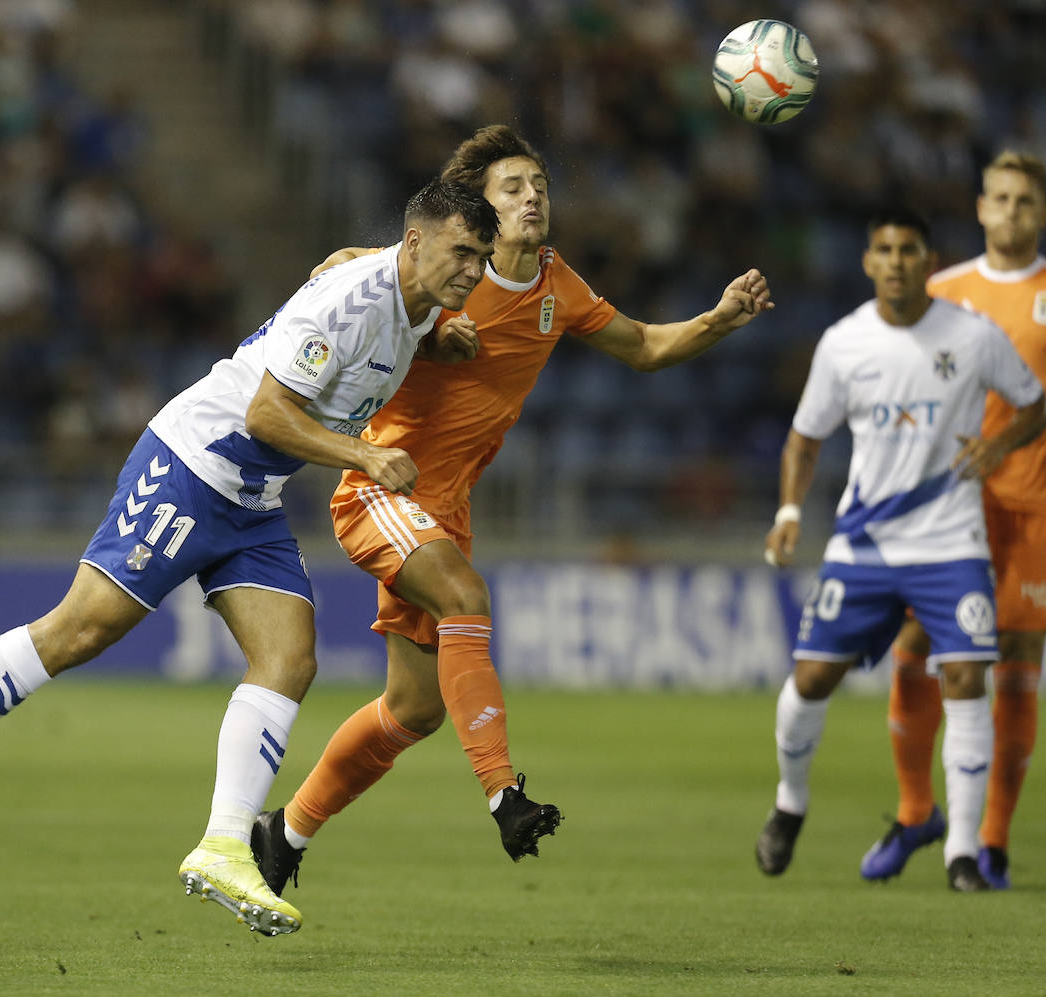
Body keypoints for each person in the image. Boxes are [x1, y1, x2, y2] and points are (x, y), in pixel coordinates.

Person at [0, 178, 499, 937]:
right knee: (79, 631)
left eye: (484, 257)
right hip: (192, 465)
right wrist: (362, 454)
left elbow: (354, 273)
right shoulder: (353, 300)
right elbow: (268, 410)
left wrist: (433, 334)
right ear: (418, 239)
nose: (474, 271)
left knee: (290, 656)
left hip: (252, 498)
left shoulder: (413, 299)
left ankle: (224, 843)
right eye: (464, 251)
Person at [249, 124, 774, 896]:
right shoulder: (444, 275)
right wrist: (394, 299)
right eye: (513, 188)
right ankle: (504, 794)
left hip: (444, 513)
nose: (532, 198)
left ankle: (283, 831)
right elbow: (341, 268)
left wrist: (717, 319)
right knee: (466, 595)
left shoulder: (559, 285)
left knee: (413, 708)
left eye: (541, 186)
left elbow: (645, 347)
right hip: (381, 490)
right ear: (479, 212)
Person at [859, 152, 1046, 889]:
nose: (1012, 211)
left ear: (1043, 213)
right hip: (950, 503)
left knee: (1018, 667)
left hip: (1037, 503)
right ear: (980, 208)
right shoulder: (942, 290)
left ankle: (991, 841)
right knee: (916, 642)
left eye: (1026, 200)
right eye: (1000, 198)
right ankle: (914, 808)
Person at [754, 208, 1046, 892]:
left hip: (952, 542)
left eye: (908, 249)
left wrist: (999, 444)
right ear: (868, 262)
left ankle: (964, 855)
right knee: (810, 680)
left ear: (928, 259)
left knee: (968, 677)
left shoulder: (973, 336)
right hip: (864, 545)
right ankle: (790, 804)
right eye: (883, 249)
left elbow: (1035, 405)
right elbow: (805, 438)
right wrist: (790, 512)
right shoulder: (844, 343)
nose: (895, 260)